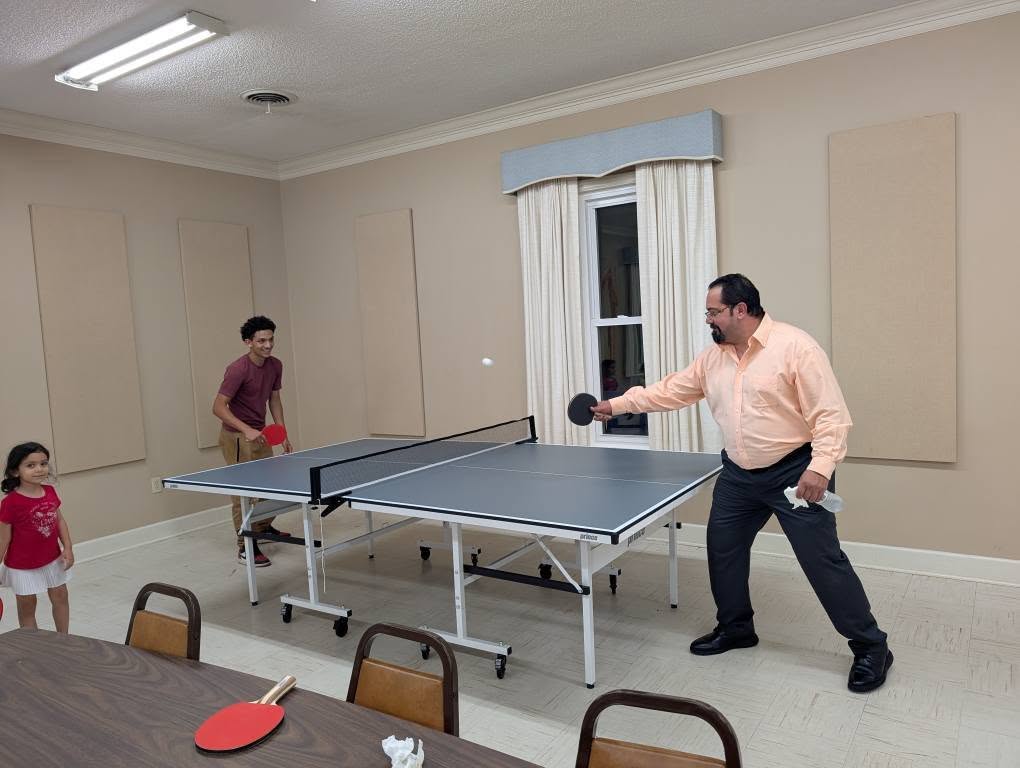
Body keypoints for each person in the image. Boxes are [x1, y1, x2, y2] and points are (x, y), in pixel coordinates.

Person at [591, 274, 892, 693]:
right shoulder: (712, 359)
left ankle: (871, 646)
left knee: (822, 561)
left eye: (713, 312)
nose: (708, 320)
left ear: (741, 310)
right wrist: (616, 404)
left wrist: (820, 468)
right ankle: (736, 629)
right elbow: (670, 391)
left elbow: (831, 416)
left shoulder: (796, 348)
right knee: (723, 549)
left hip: (795, 470)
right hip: (738, 474)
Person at [213, 315, 293, 567]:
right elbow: (218, 407)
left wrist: (282, 431)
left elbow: (274, 399)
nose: (268, 345)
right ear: (248, 342)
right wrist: (245, 429)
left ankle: (262, 528)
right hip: (236, 437)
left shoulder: (275, 365)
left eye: (271, 339)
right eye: (261, 341)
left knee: (270, 487)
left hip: (261, 434)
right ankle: (245, 546)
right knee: (243, 495)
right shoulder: (238, 369)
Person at [0, 442, 73, 632]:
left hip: (52, 559)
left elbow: (59, 521)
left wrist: (68, 547)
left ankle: (64, 639)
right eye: (30, 465)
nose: (39, 469)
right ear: (15, 471)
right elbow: (3, 539)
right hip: (22, 567)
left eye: (43, 463)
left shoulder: (49, 492)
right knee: (27, 607)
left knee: (61, 597)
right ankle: (33, 644)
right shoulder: (10, 503)